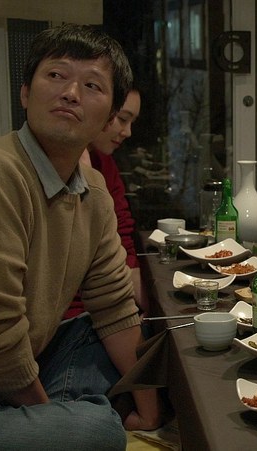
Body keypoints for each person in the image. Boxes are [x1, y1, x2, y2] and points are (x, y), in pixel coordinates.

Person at [0, 24, 160, 450]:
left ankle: (68, 414)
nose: (70, 93)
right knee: (99, 431)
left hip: (16, 377)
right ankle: (71, 415)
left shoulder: (93, 191)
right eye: (55, 75)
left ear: (109, 117)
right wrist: (50, 420)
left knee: (113, 338)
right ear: (25, 94)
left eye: (91, 85)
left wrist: (151, 415)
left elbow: (114, 308)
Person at [67, 88, 148, 318]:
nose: (128, 132)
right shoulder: (62, 164)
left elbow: (122, 233)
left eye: (132, 122)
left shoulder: (104, 162)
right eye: (122, 119)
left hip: (107, 299)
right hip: (74, 314)